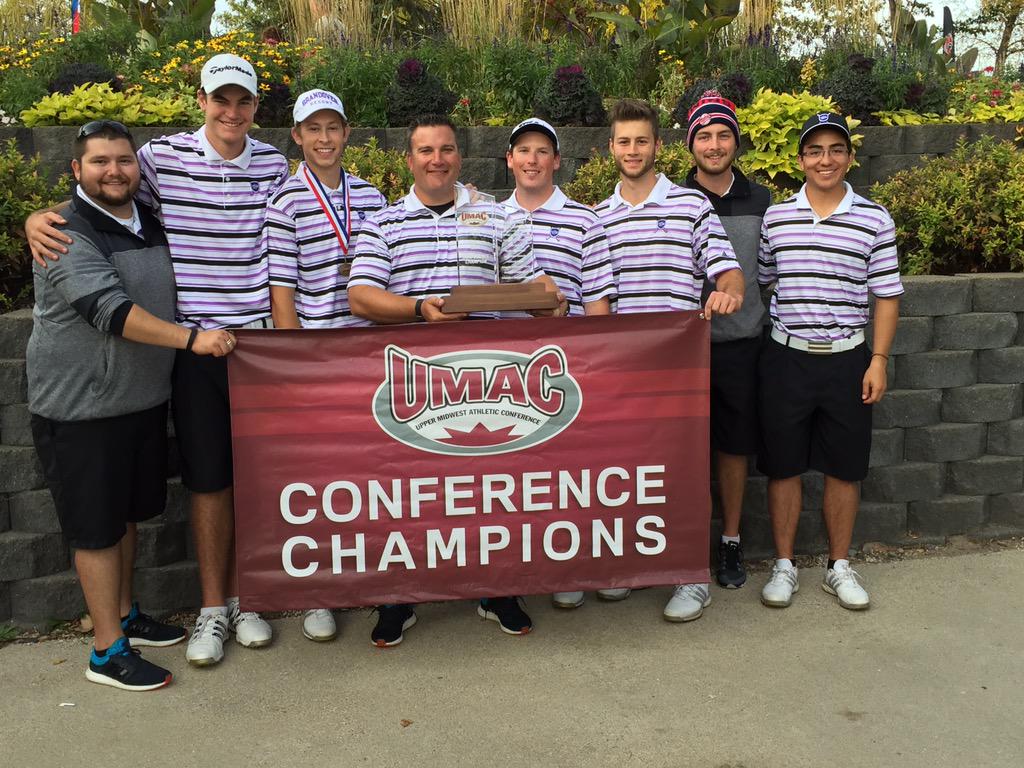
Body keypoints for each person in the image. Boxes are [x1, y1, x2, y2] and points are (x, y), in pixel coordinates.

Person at [27, 54, 290, 666]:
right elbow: (95, 197)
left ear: (255, 108)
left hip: (259, 345)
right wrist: (33, 219)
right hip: (195, 348)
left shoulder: (275, 163)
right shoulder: (158, 159)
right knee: (208, 480)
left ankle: (249, 599)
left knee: (260, 476)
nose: (232, 112)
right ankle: (211, 609)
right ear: (200, 100)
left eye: (243, 102)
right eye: (220, 99)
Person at [26, 120, 237, 691]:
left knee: (123, 517)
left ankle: (125, 614)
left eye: (123, 160)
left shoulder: (147, 221)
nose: (113, 170)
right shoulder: (66, 231)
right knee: (95, 528)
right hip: (81, 407)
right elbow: (110, 312)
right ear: (76, 170)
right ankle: (106, 650)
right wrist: (192, 340)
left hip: (140, 402)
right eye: (99, 162)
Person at [347, 113, 567, 647]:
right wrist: (420, 308)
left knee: (490, 490)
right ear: (409, 159)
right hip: (411, 379)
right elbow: (361, 297)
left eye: (446, 149)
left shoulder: (495, 218)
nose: (437, 160)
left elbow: (530, 284)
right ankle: (399, 595)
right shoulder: (384, 222)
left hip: (488, 378)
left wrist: (548, 301)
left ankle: (497, 590)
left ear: (459, 158)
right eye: (426, 151)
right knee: (408, 492)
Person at [594, 99, 745, 622]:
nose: (632, 150)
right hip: (622, 372)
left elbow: (729, 273)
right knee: (627, 472)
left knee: (684, 471)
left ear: (658, 146)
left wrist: (727, 292)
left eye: (642, 141)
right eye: (623, 141)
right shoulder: (598, 219)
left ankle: (690, 576)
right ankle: (630, 566)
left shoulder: (691, 207)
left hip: (681, 367)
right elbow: (595, 299)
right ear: (611, 148)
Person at [757, 112, 903, 611]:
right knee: (784, 466)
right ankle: (784, 565)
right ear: (800, 159)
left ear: (849, 156)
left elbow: (886, 296)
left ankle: (839, 567)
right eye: (815, 150)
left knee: (844, 469)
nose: (825, 159)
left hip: (848, 360)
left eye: (835, 149)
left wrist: (878, 359)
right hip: (786, 358)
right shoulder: (776, 217)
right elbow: (765, 280)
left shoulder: (874, 218)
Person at [262, 89, 387, 641]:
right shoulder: (283, 201)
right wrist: (295, 366)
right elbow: (281, 294)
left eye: (333, 127)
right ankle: (319, 593)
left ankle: (378, 579)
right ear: (296, 136)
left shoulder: (373, 197)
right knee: (319, 480)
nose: (324, 138)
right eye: (313, 129)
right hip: (317, 355)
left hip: (369, 355)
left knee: (374, 475)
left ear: (347, 132)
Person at [501, 117, 618, 609]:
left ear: (556, 161)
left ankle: (570, 566)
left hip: (563, 369)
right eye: (522, 150)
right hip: (502, 372)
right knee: (514, 478)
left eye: (541, 151)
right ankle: (515, 572)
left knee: (568, 475)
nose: (531, 159)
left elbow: (598, 306)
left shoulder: (585, 220)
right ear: (509, 159)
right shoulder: (485, 216)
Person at [683, 91, 772, 589]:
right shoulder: (673, 197)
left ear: (735, 141)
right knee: (686, 450)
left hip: (742, 345)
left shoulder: (761, 201)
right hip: (683, 351)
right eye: (704, 136)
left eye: (723, 135)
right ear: (691, 143)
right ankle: (687, 543)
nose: (714, 145)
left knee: (734, 450)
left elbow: (770, 274)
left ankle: (731, 541)